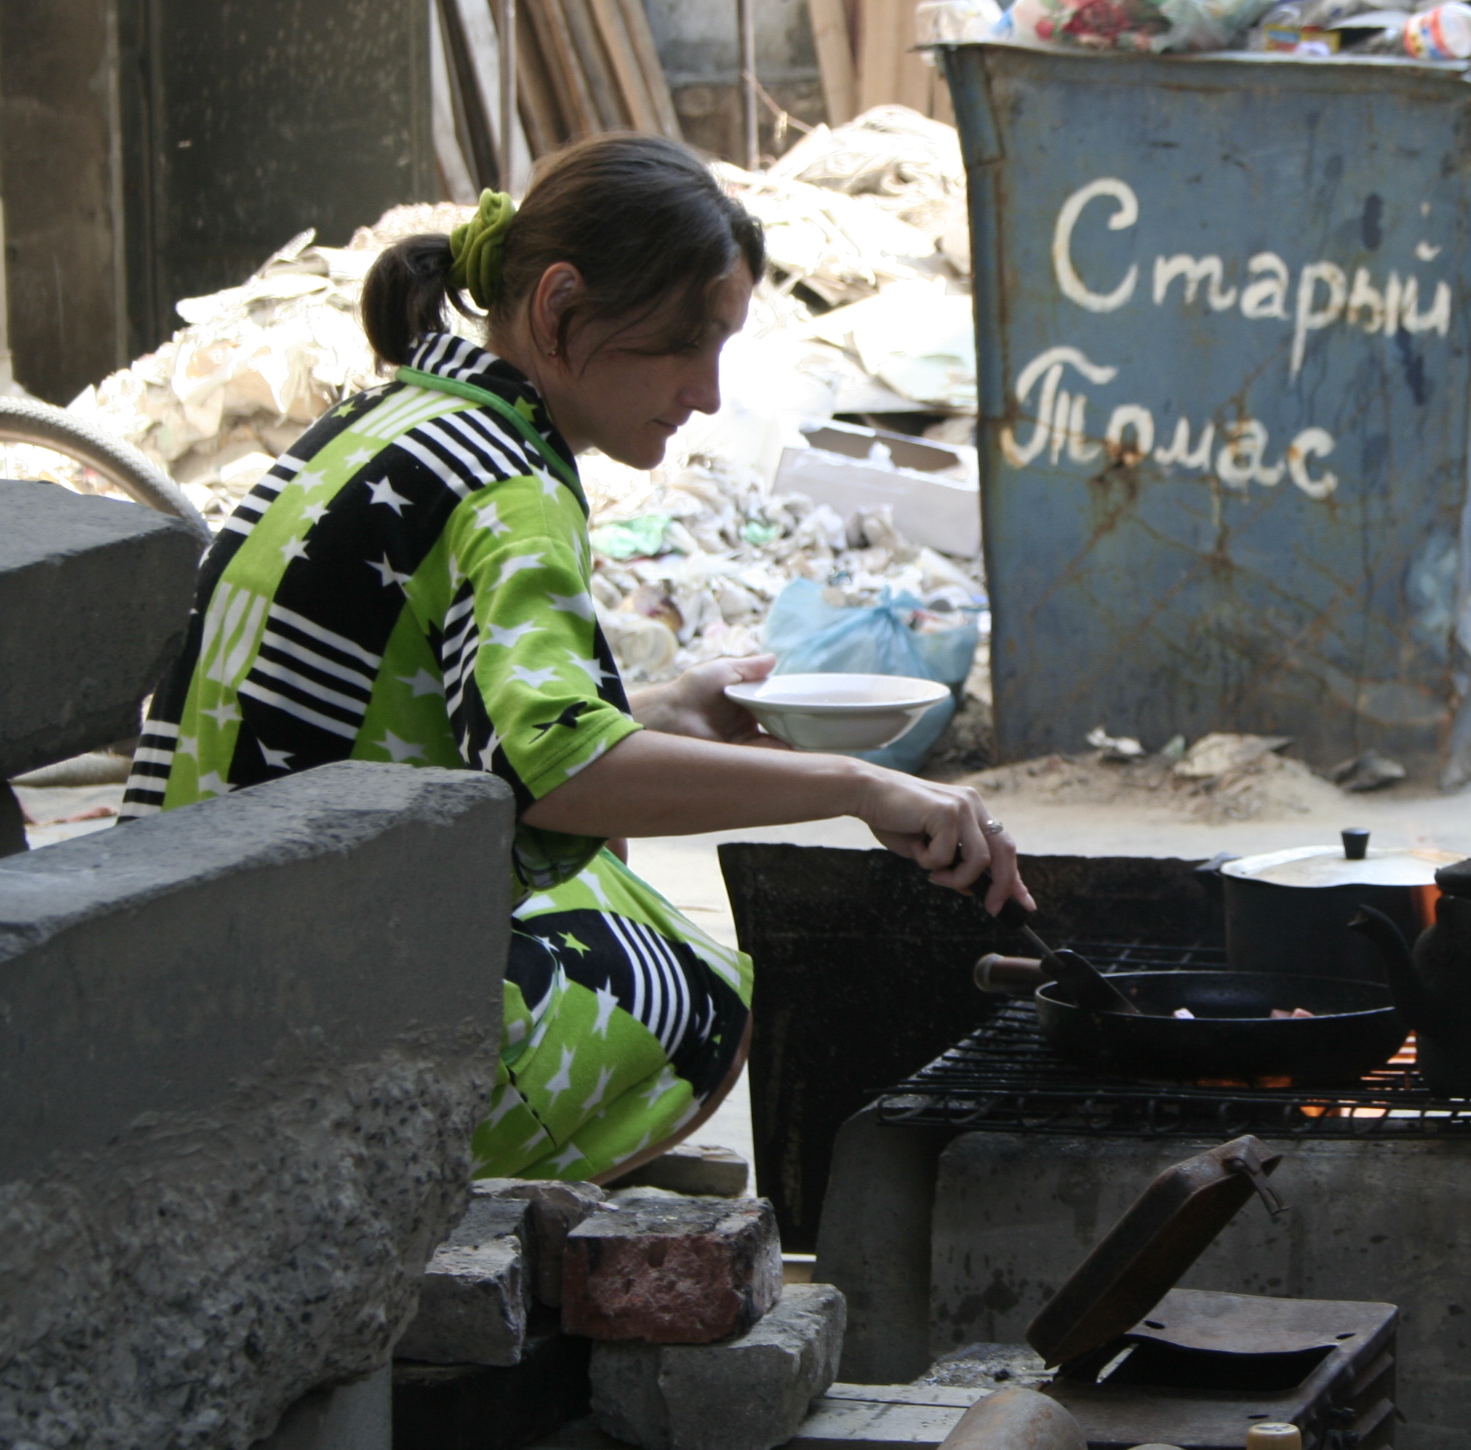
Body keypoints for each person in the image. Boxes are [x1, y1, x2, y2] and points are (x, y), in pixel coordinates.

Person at [117, 134, 1031, 1184]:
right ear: (558, 309)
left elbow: (452, 717)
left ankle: (567, 1154)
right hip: (291, 1046)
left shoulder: (392, 420)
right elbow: (558, 775)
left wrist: (663, 710)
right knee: (697, 993)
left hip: (173, 977)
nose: (708, 393)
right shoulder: (510, 487)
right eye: (686, 344)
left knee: (603, 880)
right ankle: (480, 1178)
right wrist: (859, 787)